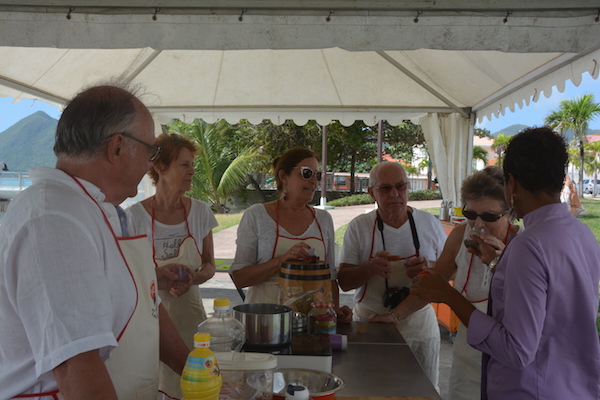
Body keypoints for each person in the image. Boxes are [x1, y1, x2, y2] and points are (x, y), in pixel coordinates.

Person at [0, 85, 189, 400]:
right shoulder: (54, 219)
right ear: (117, 148)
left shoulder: (102, 210)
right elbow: (77, 365)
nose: (149, 164)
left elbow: (149, 306)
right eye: (150, 150)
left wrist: (203, 374)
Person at [412, 127, 600, 400]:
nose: (477, 223)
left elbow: (516, 350)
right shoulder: (583, 235)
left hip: (530, 389)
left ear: (511, 183)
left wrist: (448, 295)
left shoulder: (528, 246)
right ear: (561, 179)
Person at [337, 161, 447, 387]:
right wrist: (370, 268)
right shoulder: (360, 227)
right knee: (371, 387)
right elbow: (344, 281)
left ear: (408, 188)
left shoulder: (429, 223)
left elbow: (446, 275)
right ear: (371, 193)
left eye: (401, 186)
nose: (395, 194)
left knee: (423, 388)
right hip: (371, 321)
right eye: (385, 188)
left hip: (419, 322)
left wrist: (429, 267)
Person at [127, 132, 218, 399]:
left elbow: (210, 265)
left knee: (193, 386)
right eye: (184, 164)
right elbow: (129, 276)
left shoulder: (200, 212)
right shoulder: (134, 218)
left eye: (192, 165)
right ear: (159, 166)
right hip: (149, 323)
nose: (192, 171)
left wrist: (195, 277)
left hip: (192, 322)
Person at [230, 147, 352, 322]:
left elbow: (330, 277)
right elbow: (240, 278)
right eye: (306, 173)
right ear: (283, 176)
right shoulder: (256, 215)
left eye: (317, 175)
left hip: (312, 323)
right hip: (265, 321)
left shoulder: (323, 219)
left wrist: (334, 312)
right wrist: (282, 260)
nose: (313, 181)